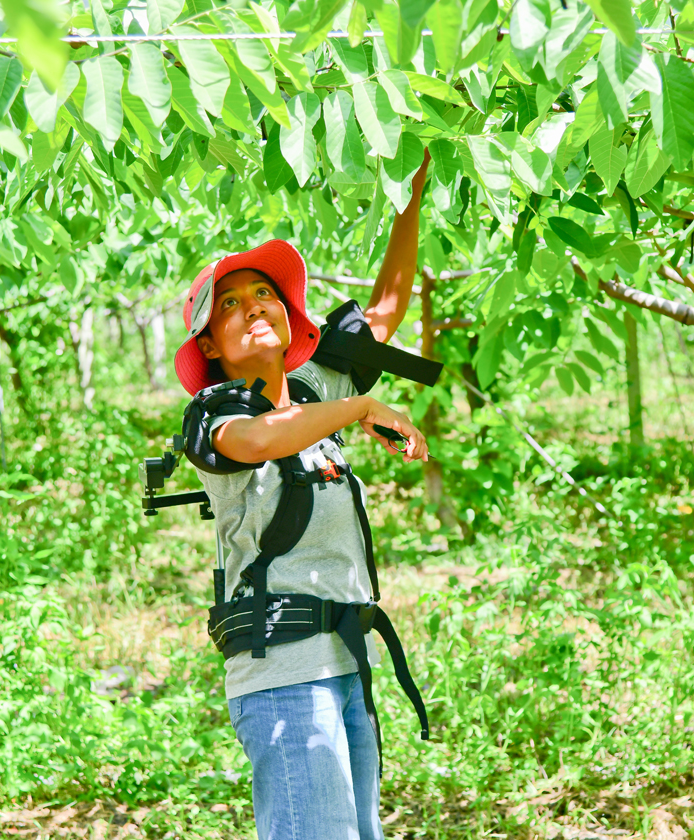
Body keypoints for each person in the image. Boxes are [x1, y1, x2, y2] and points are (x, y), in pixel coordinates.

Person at [172, 153, 431, 840]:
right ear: (212, 346)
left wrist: (412, 192)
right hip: (285, 675)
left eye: (263, 295)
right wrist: (364, 410)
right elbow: (261, 441)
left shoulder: (320, 388)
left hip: (346, 662)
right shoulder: (214, 413)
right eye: (230, 304)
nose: (253, 306)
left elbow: (385, 309)